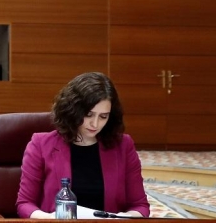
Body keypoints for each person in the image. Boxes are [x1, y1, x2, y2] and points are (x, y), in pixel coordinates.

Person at [16, 72, 150, 219]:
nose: (95, 124)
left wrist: (122, 218)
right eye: (89, 114)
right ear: (73, 110)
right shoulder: (41, 144)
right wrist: (51, 219)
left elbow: (140, 205)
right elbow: (25, 204)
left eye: (103, 116)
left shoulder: (123, 145)